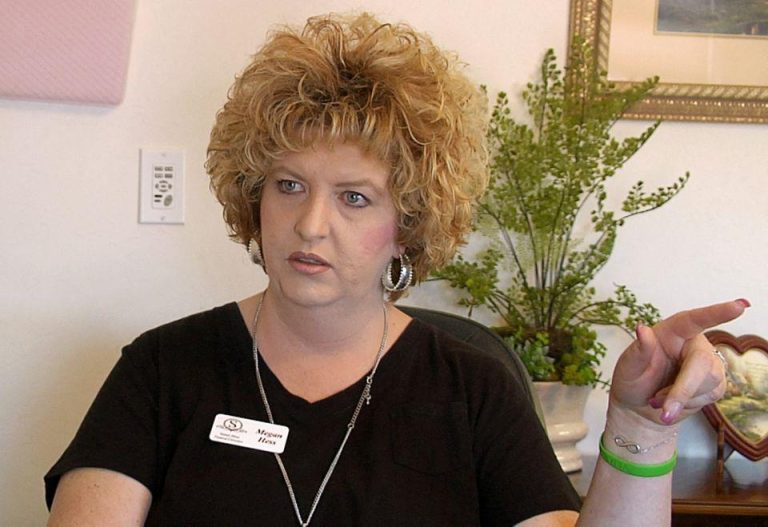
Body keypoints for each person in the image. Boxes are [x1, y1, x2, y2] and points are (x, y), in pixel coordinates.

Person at [45, 12, 749, 527]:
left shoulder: (472, 390)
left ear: (408, 224)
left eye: (354, 197)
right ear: (252, 194)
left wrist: (643, 425)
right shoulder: (162, 370)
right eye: (289, 185)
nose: (311, 223)